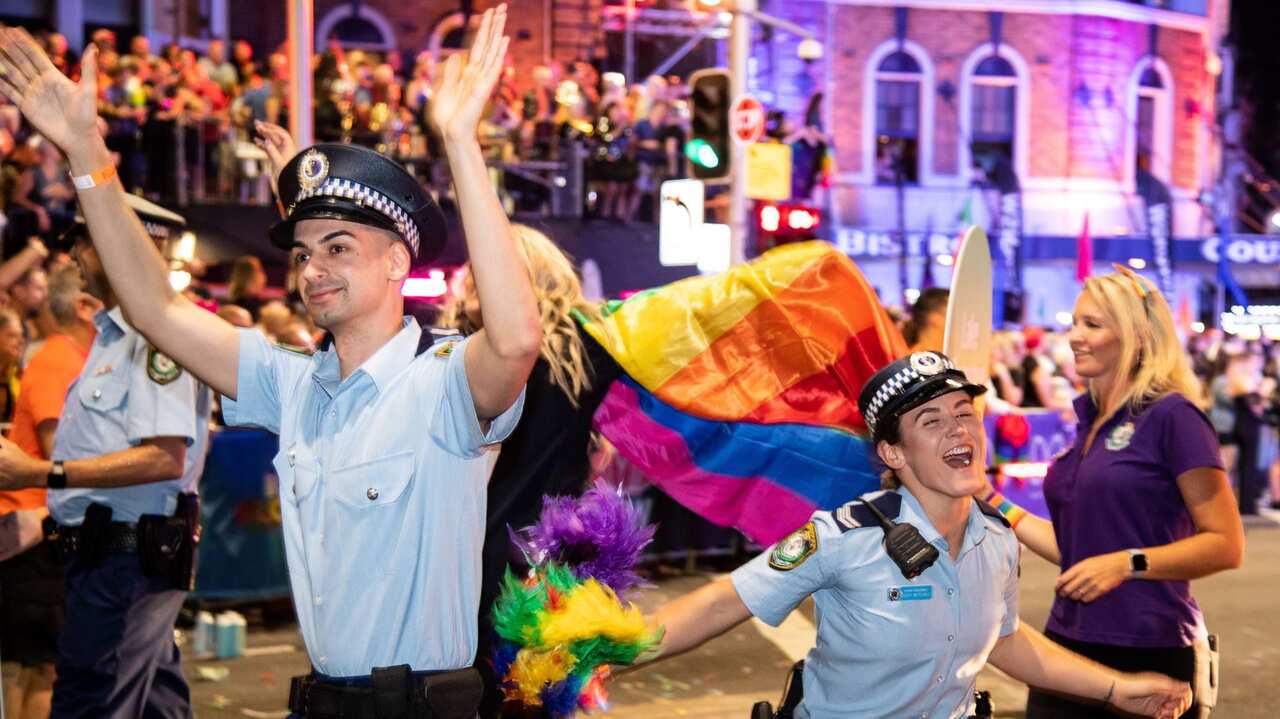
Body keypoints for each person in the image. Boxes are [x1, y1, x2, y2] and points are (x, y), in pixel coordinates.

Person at [0, 12, 541, 717]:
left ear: (398, 262)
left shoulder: (442, 383)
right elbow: (156, 311)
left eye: (338, 246)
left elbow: (516, 341)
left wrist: (462, 144)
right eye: (305, 250)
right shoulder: (294, 384)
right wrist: (86, 154)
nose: (313, 267)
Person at [647, 351, 1193, 719]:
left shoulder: (998, 539)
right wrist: (607, 646)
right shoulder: (845, 536)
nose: (958, 428)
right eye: (931, 421)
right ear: (892, 453)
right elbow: (726, 601)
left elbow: (1003, 639)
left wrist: (1118, 689)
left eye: (963, 413)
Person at [984, 268, 1244, 718]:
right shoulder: (1089, 422)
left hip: (1151, 648)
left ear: (1138, 337)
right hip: (1066, 648)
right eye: (1076, 322)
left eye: (1094, 325)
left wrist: (1129, 563)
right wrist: (994, 502)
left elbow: (1226, 543)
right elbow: (1080, 552)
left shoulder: (1173, 417)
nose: (1074, 337)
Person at [0, 192, 212, 718]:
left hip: (124, 559)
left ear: (123, 245)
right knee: (154, 706)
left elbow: (164, 458)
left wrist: (38, 473)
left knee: (88, 702)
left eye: (85, 241)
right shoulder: (117, 336)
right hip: (114, 555)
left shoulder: (155, 335)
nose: (72, 255)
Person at [439, 225, 619, 718]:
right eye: (472, 268)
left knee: (521, 703)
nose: (473, 277)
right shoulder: (447, 353)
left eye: (490, 268)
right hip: (452, 564)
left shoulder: (583, 349)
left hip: (530, 574)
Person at [0, 263, 100, 719]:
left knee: (36, 669)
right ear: (84, 308)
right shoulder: (57, 364)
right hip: (35, 532)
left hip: (41, 529)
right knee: (41, 670)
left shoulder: (70, 361)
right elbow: (57, 456)